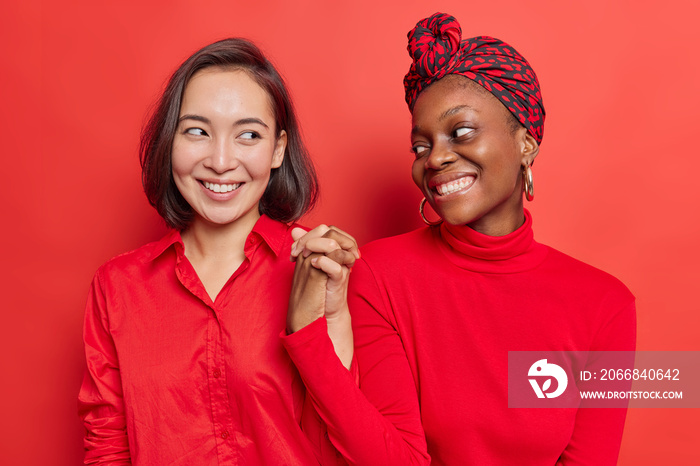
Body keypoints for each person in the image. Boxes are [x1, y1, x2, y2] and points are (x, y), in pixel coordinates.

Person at [285, 12, 636, 466]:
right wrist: (308, 339)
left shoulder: (605, 305)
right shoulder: (380, 274)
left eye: (461, 132)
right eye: (421, 145)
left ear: (526, 143)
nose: (435, 159)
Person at [77, 38, 355, 465]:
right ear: (170, 142)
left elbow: (346, 436)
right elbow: (107, 444)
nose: (221, 161)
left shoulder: (318, 269)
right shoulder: (117, 287)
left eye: (248, 135)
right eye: (197, 132)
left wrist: (331, 314)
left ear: (278, 149)